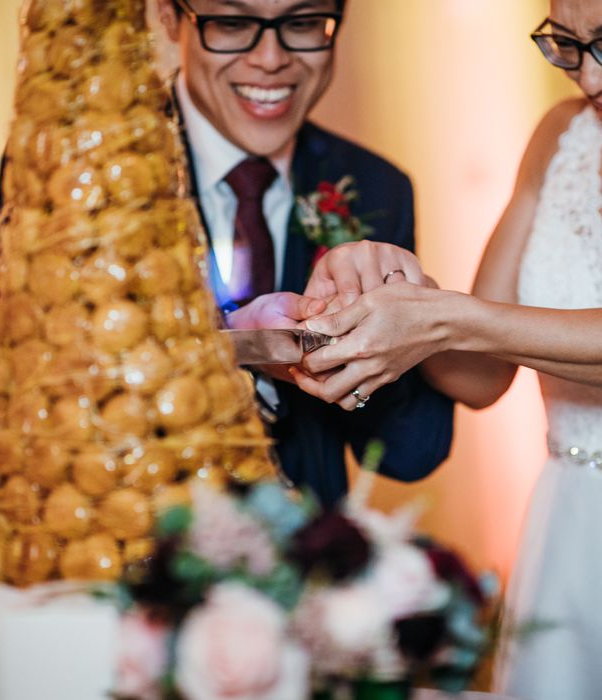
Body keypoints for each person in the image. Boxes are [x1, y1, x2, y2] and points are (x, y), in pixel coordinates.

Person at [296, 1, 602, 696]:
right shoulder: (561, 135)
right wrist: (394, 292)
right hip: (573, 529)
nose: (586, 79)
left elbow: (472, 327)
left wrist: (445, 319)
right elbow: (477, 375)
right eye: (567, 45)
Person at [154, 0, 454, 506]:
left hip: (312, 559)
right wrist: (234, 348)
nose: (271, 58)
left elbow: (410, 454)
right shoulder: (85, 171)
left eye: (302, 23)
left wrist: (401, 325)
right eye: (231, 23)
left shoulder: (375, 185)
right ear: (168, 16)